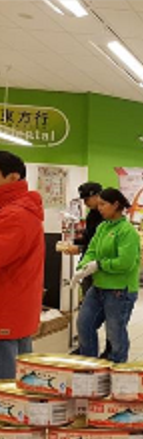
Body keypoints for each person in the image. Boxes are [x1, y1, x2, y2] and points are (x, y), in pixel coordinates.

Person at [74, 188, 141, 363]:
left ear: (116, 205)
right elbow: (92, 250)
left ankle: (117, 371)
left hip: (120, 291)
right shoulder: (102, 227)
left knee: (115, 335)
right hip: (98, 288)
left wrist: (100, 264)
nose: (99, 207)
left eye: (103, 204)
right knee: (84, 324)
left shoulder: (127, 231)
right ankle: (88, 366)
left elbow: (125, 263)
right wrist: (83, 266)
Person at [0, 151, 44, 378]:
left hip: (6, 310)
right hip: (15, 309)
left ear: (12, 177)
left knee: (6, 388)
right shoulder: (17, 211)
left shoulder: (15, 215)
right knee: (21, 380)